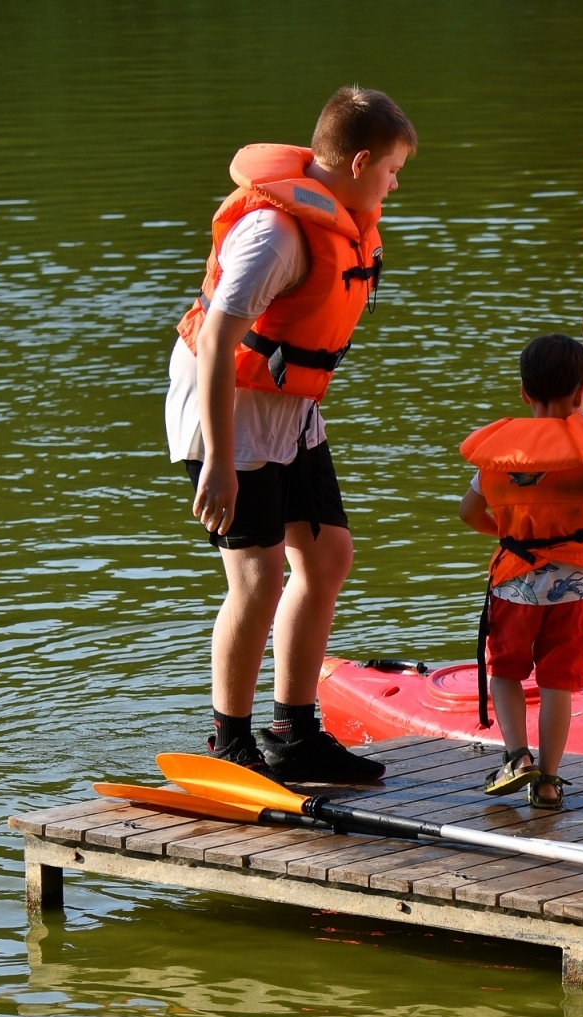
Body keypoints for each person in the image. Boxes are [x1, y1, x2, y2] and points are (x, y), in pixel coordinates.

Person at [163, 86, 415, 782]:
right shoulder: (273, 234)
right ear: (361, 162)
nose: (395, 185)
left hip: (286, 410)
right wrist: (218, 460)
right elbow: (217, 342)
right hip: (226, 413)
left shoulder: (339, 224)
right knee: (258, 575)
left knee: (328, 555)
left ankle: (294, 732)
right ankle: (230, 741)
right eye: (393, 171)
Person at [458, 335, 583, 811]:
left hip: (514, 579)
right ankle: (548, 780)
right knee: (557, 681)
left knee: (506, 670)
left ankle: (516, 755)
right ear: (582, 392)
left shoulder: (500, 451)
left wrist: (509, 536)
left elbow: (468, 511)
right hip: (576, 583)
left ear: (524, 394)